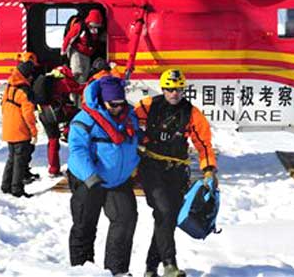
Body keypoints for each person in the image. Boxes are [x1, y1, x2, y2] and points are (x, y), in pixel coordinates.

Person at [134, 69, 218, 277]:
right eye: (170, 89)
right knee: (164, 211)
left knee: (169, 217)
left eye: (178, 90)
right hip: (151, 168)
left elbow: (203, 143)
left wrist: (208, 170)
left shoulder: (191, 113)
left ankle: (151, 267)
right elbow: (128, 121)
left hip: (177, 171)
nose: (174, 94)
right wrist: (139, 137)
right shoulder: (148, 105)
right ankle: (169, 264)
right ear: (163, 89)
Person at [67, 76, 140, 277]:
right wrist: (91, 177)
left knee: (125, 220)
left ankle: (117, 270)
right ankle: (82, 271)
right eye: (112, 104)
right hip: (89, 180)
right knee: (85, 226)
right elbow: (78, 149)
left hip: (118, 181)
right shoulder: (85, 119)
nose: (117, 107)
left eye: (120, 103)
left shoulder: (129, 115)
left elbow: (134, 140)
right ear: (102, 100)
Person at [0, 54, 39, 198]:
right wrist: (34, 132)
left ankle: (5, 186)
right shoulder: (25, 92)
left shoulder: (9, 87)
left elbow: (3, 106)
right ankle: (17, 190)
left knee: (11, 159)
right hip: (20, 131)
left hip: (9, 129)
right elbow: (28, 115)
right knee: (20, 162)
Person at [34, 65, 83, 176]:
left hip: (44, 114)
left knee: (53, 140)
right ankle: (67, 132)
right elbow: (79, 89)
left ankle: (53, 169)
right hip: (56, 114)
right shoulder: (63, 82)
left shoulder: (46, 81)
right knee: (78, 114)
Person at [61, 9, 105, 84]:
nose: (95, 27)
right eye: (94, 24)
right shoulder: (79, 26)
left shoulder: (96, 30)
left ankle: (81, 91)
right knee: (78, 74)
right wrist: (63, 52)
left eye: (97, 25)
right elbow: (68, 38)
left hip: (87, 55)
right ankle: (75, 92)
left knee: (85, 75)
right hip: (77, 53)